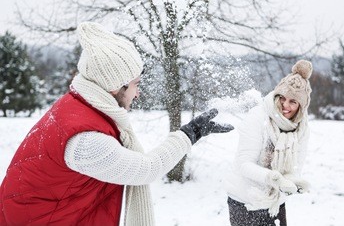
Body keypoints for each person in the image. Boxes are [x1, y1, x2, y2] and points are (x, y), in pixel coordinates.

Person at [0, 22, 234, 226]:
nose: (138, 93)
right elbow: (146, 169)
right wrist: (189, 134)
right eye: (135, 84)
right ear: (115, 86)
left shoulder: (79, 105)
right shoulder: (85, 141)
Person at [224, 60, 313, 226]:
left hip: (274, 203)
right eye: (282, 98)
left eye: (293, 102)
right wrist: (273, 178)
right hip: (245, 201)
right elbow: (244, 164)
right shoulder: (258, 116)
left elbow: (295, 166)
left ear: (301, 106)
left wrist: (294, 180)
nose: (285, 105)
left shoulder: (301, 128)